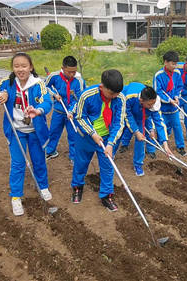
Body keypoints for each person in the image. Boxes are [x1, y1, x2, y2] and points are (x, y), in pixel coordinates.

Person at [0, 53, 53, 216]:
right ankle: (16, 197)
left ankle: (43, 186)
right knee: (18, 164)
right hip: (16, 131)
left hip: (35, 132)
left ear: (30, 67)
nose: (20, 69)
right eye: (16, 66)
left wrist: (38, 110)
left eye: (24, 66)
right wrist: (0, 96)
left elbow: (47, 102)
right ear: (13, 68)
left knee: (38, 161)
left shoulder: (39, 84)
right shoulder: (6, 83)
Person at [68, 69, 125, 211]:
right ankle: (77, 187)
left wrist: (111, 143)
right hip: (86, 136)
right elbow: (80, 117)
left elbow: (119, 123)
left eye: (117, 93)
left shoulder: (120, 98)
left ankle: (106, 195)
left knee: (107, 166)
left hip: (106, 138)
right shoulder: (87, 95)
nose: (114, 97)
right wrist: (92, 133)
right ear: (102, 87)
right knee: (81, 163)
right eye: (111, 93)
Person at [116, 82, 172, 176]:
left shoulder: (153, 104)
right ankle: (111, 154)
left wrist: (165, 145)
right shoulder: (129, 97)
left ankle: (138, 164)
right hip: (124, 110)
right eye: (150, 104)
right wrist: (136, 131)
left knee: (141, 138)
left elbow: (159, 123)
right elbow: (127, 115)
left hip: (139, 114)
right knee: (119, 131)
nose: (152, 106)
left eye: (153, 104)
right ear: (141, 100)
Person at [44, 56, 83, 162]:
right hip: (58, 111)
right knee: (53, 132)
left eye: (74, 72)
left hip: (72, 112)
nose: (72, 74)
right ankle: (50, 151)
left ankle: (74, 156)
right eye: (69, 72)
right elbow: (45, 87)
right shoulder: (54, 76)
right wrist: (54, 95)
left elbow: (79, 99)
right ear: (63, 68)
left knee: (73, 134)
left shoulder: (78, 80)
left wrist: (71, 111)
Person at [153, 50, 186, 156]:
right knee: (163, 126)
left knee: (177, 126)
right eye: (172, 64)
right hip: (163, 108)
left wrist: (176, 97)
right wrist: (168, 100)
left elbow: (179, 87)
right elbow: (157, 92)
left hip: (174, 108)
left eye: (176, 64)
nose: (175, 66)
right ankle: (160, 143)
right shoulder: (158, 75)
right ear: (165, 62)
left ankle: (180, 146)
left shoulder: (177, 73)